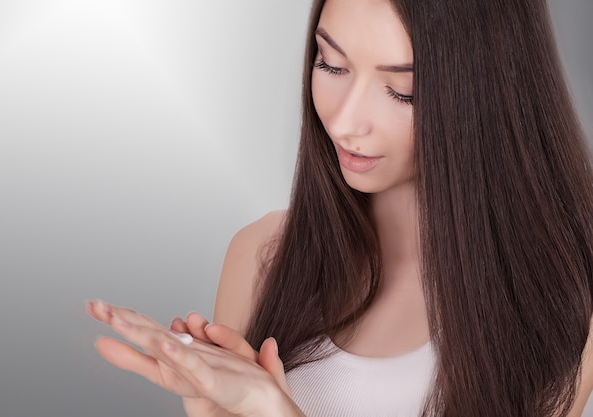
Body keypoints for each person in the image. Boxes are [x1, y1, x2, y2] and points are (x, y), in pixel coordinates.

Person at [86, 0, 593, 416]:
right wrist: (213, 409)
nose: (346, 121)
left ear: (488, 93)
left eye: (401, 91)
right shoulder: (261, 256)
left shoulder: (564, 291)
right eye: (330, 64)